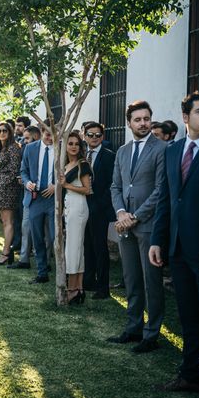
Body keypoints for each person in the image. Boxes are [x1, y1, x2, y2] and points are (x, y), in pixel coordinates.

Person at [150, 92, 199, 398]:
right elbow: (166, 198)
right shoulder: (173, 150)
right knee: (188, 317)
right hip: (176, 249)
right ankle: (190, 375)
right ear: (185, 117)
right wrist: (157, 240)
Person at [109, 100, 166, 353]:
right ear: (129, 122)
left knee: (150, 281)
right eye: (138, 119)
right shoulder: (122, 151)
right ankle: (133, 328)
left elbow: (160, 190)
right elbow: (116, 187)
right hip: (124, 225)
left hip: (148, 225)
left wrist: (136, 216)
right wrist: (121, 213)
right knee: (131, 278)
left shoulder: (163, 148)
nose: (143, 123)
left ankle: (151, 334)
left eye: (146, 118)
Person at [82, 122, 116, 299]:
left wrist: (99, 204)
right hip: (82, 205)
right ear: (84, 136)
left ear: (102, 137)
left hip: (100, 208)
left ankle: (103, 287)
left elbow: (112, 184)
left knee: (100, 247)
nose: (94, 138)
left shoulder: (109, 156)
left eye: (97, 135)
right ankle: (88, 280)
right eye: (90, 134)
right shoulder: (80, 155)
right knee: (86, 244)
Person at [58, 131, 92, 304]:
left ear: (80, 147)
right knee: (75, 248)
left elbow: (88, 190)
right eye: (70, 143)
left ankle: (72, 289)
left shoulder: (82, 165)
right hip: (69, 206)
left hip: (79, 206)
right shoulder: (65, 165)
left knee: (73, 249)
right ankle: (78, 289)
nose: (72, 146)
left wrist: (67, 185)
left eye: (76, 144)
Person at [20, 121, 56, 283]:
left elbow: (70, 170)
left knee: (56, 237)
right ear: (41, 132)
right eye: (48, 134)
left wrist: (57, 186)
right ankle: (42, 273)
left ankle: (64, 274)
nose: (51, 137)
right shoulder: (30, 148)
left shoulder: (62, 148)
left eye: (54, 133)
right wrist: (27, 183)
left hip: (54, 199)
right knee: (37, 237)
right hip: (35, 198)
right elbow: (24, 170)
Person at [0, 122, 23, 264]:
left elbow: (15, 169)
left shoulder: (14, 147)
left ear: (10, 132)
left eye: (5, 130)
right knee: (4, 220)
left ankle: (6, 253)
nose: (2, 133)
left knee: (8, 221)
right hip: (0, 186)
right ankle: (7, 250)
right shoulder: (1, 148)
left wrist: (3, 182)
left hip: (8, 187)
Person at [9, 126, 41, 270]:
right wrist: (25, 180)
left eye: (27, 138)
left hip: (47, 196)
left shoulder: (51, 151)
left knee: (45, 232)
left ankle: (44, 263)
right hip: (29, 196)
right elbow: (23, 170)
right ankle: (24, 259)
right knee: (25, 227)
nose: (24, 141)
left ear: (36, 137)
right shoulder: (27, 150)